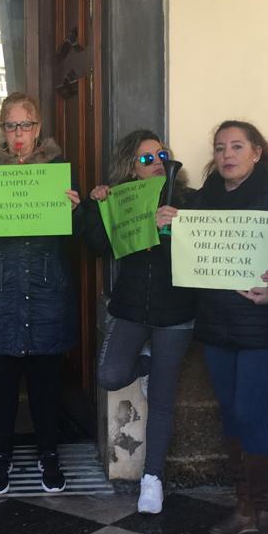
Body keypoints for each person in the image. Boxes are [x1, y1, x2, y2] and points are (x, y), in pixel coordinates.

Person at [165, 121, 268, 534]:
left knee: (249, 412)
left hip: (265, 325)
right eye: (220, 147)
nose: (227, 154)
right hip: (218, 323)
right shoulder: (203, 198)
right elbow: (189, 253)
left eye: (237, 146)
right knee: (230, 413)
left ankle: (265, 508)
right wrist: (169, 224)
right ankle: (245, 507)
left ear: (257, 152)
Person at [0, 93, 81, 495]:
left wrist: (76, 211)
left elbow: (79, 236)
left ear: (38, 128)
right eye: (10, 126)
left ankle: (49, 454)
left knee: (47, 382)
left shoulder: (59, 173)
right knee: (0, 384)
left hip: (45, 292)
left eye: (25, 125)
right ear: (1, 131)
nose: (18, 134)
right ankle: (1, 455)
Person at [81, 130, 195, 514]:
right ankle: (145, 361)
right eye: (146, 158)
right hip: (130, 307)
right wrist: (96, 206)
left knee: (161, 399)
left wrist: (181, 225)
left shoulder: (188, 200)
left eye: (161, 154)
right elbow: (98, 245)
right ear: (131, 165)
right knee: (110, 375)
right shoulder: (121, 199)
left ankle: (153, 478)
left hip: (176, 312)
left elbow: (205, 249)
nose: (157, 162)